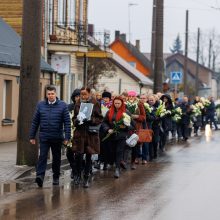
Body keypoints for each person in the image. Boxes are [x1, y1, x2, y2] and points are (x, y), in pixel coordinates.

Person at [29, 85, 71, 187]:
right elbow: (35, 121)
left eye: (52, 94)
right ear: (46, 94)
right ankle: (40, 176)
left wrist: (67, 137)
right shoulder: (41, 105)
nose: (50, 96)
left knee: (56, 158)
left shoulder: (63, 105)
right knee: (42, 156)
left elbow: (67, 122)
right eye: (49, 94)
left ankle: (56, 176)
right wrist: (32, 136)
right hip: (44, 136)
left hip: (57, 137)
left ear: (55, 94)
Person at [72, 87, 103, 188]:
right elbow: (74, 118)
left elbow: (100, 118)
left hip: (90, 134)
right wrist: (77, 120)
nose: (83, 96)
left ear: (89, 94)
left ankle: (86, 177)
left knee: (89, 156)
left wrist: (91, 119)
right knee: (78, 155)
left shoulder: (95, 103)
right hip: (80, 134)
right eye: (81, 94)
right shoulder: (77, 103)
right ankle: (77, 175)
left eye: (85, 94)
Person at [102, 96, 135, 178]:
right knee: (112, 152)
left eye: (119, 103)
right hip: (111, 135)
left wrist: (126, 127)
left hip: (122, 136)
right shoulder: (109, 112)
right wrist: (107, 129)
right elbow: (104, 122)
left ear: (122, 103)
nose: (117, 105)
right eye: (115, 103)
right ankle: (118, 163)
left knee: (119, 151)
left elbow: (133, 125)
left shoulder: (126, 112)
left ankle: (117, 169)